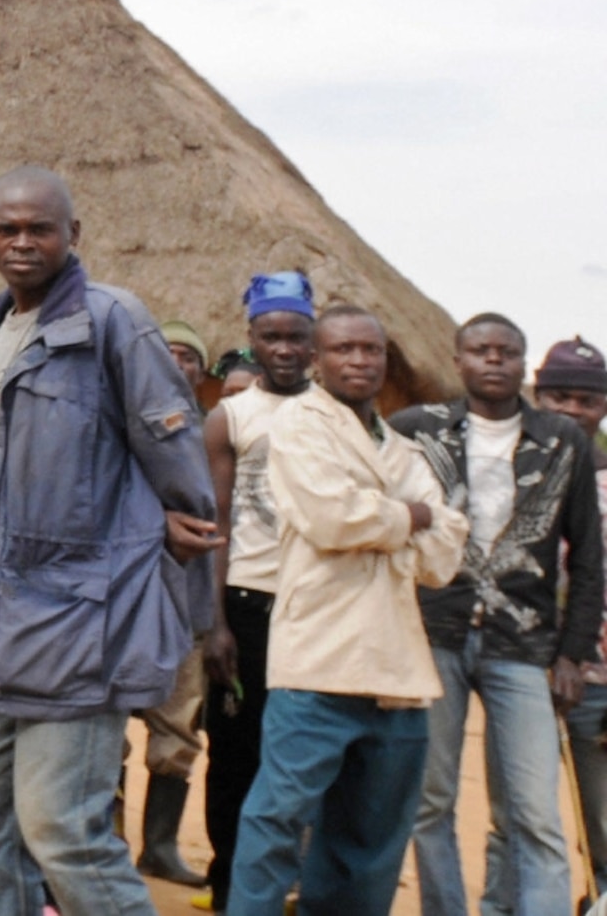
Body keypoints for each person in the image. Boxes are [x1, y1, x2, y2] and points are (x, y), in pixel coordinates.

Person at [0, 169, 217, 916]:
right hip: (11, 607)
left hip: (88, 610)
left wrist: (163, 533)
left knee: (63, 829)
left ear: (73, 234)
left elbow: (175, 455)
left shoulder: (112, 319)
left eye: (40, 228)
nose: (22, 242)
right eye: (7, 229)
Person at [221, 304, 466, 916]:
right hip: (317, 664)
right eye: (343, 349)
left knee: (372, 842)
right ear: (316, 360)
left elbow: (445, 555)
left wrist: (389, 520)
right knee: (278, 819)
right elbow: (333, 518)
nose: (359, 360)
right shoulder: (297, 427)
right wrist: (412, 516)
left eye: (371, 350)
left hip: (398, 674)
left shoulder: (405, 450)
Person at [393, 314, 600, 916]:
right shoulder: (417, 430)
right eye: (480, 350)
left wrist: (572, 654)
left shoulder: (564, 441)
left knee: (535, 811)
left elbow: (588, 558)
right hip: (435, 634)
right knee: (431, 801)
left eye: (506, 352)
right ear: (457, 360)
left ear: (522, 365)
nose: (493, 361)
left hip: (525, 644)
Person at [201, 270, 317, 908]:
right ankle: (228, 886)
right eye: (271, 337)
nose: (284, 348)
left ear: (313, 340)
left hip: (317, 609)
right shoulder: (231, 417)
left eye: (296, 337)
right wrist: (215, 623)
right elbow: (216, 524)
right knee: (234, 754)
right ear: (253, 338)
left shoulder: (338, 413)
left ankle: (286, 887)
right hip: (247, 605)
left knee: (301, 756)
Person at [128, 315, 215, 889]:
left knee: (179, 727)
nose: (179, 364)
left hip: (190, 599)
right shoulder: (127, 421)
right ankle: (104, 837)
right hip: (127, 596)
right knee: (104, 723)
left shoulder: (214, 433)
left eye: (190, 358)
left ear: (202, 373)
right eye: (170, 354)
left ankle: (159, 846)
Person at [531, 337, 607, 887]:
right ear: (538, 396)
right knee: (524, 814)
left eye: (588, 401)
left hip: (596, 676)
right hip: (518, 666)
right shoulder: (512, 466)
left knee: (600, 821)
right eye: (560, 397)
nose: (574, 410)